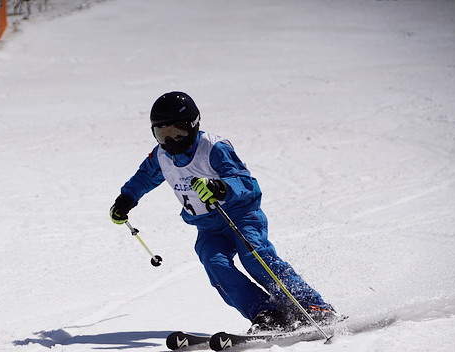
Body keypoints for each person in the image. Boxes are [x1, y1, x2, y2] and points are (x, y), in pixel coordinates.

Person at [109, 91, 337, 333]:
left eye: (178, 132)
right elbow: (144, 177)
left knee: (255, 256)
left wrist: (221, 187)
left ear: (194, 125)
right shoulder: (161, 155)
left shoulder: (213, 148)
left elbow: (247, 183)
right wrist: (126, 199)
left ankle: (312, 306)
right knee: (215, 263)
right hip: (208, 226)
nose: (172, 140)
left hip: (240, 215)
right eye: (162, 134)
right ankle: (266, 313)